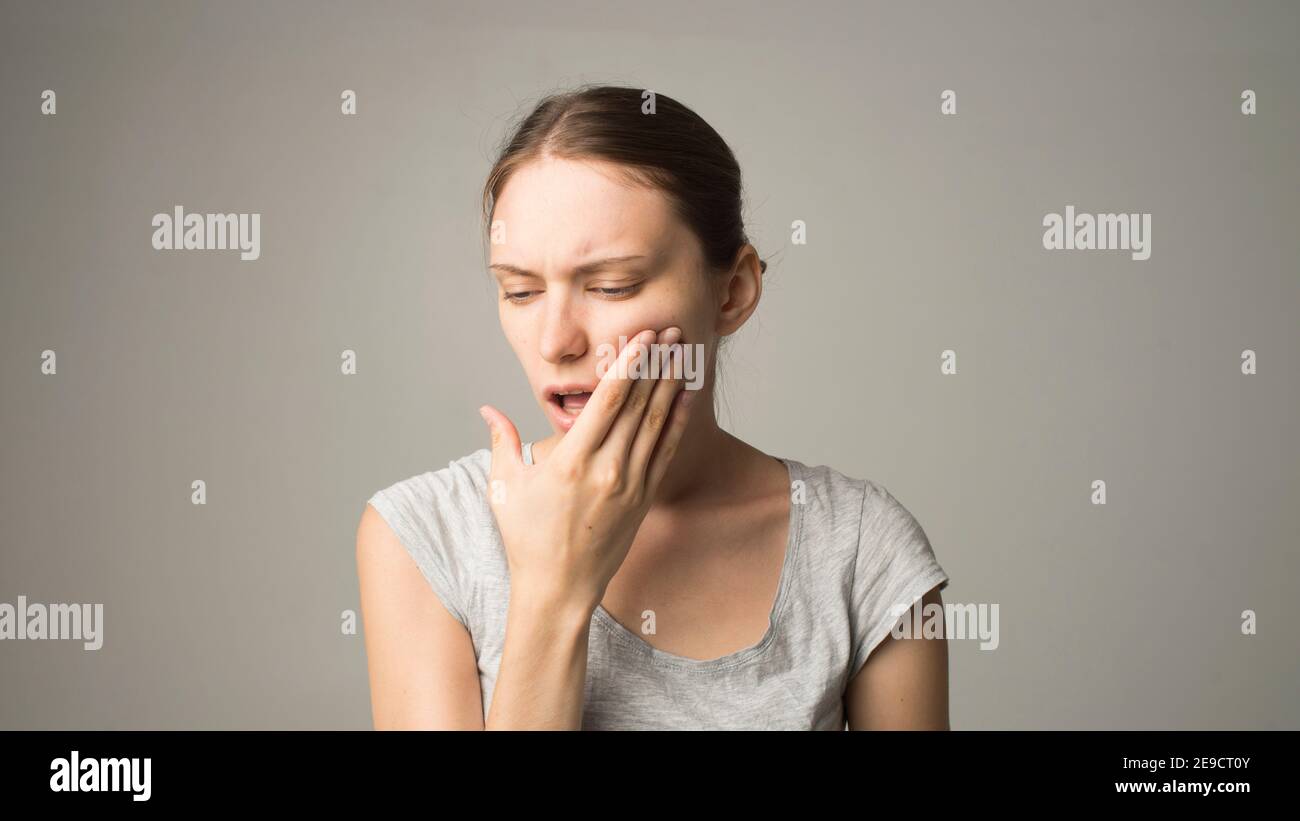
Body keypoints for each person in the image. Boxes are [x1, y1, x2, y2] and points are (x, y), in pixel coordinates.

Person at [356, 84, 950, 730]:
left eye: (613, 285)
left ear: (733, 292)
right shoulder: (424, 536)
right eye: (520, 290)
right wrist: (553, 594)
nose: (557, 341)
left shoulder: (862, 549)